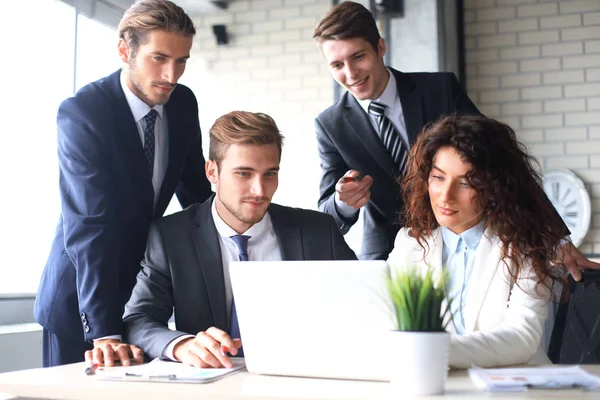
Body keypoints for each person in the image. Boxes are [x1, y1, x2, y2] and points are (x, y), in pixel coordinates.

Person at [313, 1, 599, 279]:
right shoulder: (330, 125)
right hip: (390, 253)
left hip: (470, 241)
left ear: (380, 47)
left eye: (358, 57)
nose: (350, 74)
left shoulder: (440, 90)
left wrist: (556, 239)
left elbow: (502, 162)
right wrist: (343, 202)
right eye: (337, 64)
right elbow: (328, 216)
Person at [34, 0, 212, 367]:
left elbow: (196, 196)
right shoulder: (84, 113)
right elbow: (89, 224)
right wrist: (104, 331)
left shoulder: (182, 104)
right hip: (82, 302)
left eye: (182, 61)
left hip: (142, 301)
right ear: (124, 49)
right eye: (159, 58)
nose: (171, 75)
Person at [103, 111, 357, 368]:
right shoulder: (171, 237)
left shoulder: (319, 231)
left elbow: (366, 309)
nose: (259, 190)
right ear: (212, 172)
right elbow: (138, 319)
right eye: (244, 174)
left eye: (269, 174)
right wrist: (182, 345)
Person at [387, 115, 567, 368]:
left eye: (465, 183)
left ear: (494, 189)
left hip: (515, 387)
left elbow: (521, 338)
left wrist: (432, 350)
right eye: (438, 178)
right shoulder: (410, 244)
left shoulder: (525, 245)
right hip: (439, 383)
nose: (445, 196)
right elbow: (385, 322)